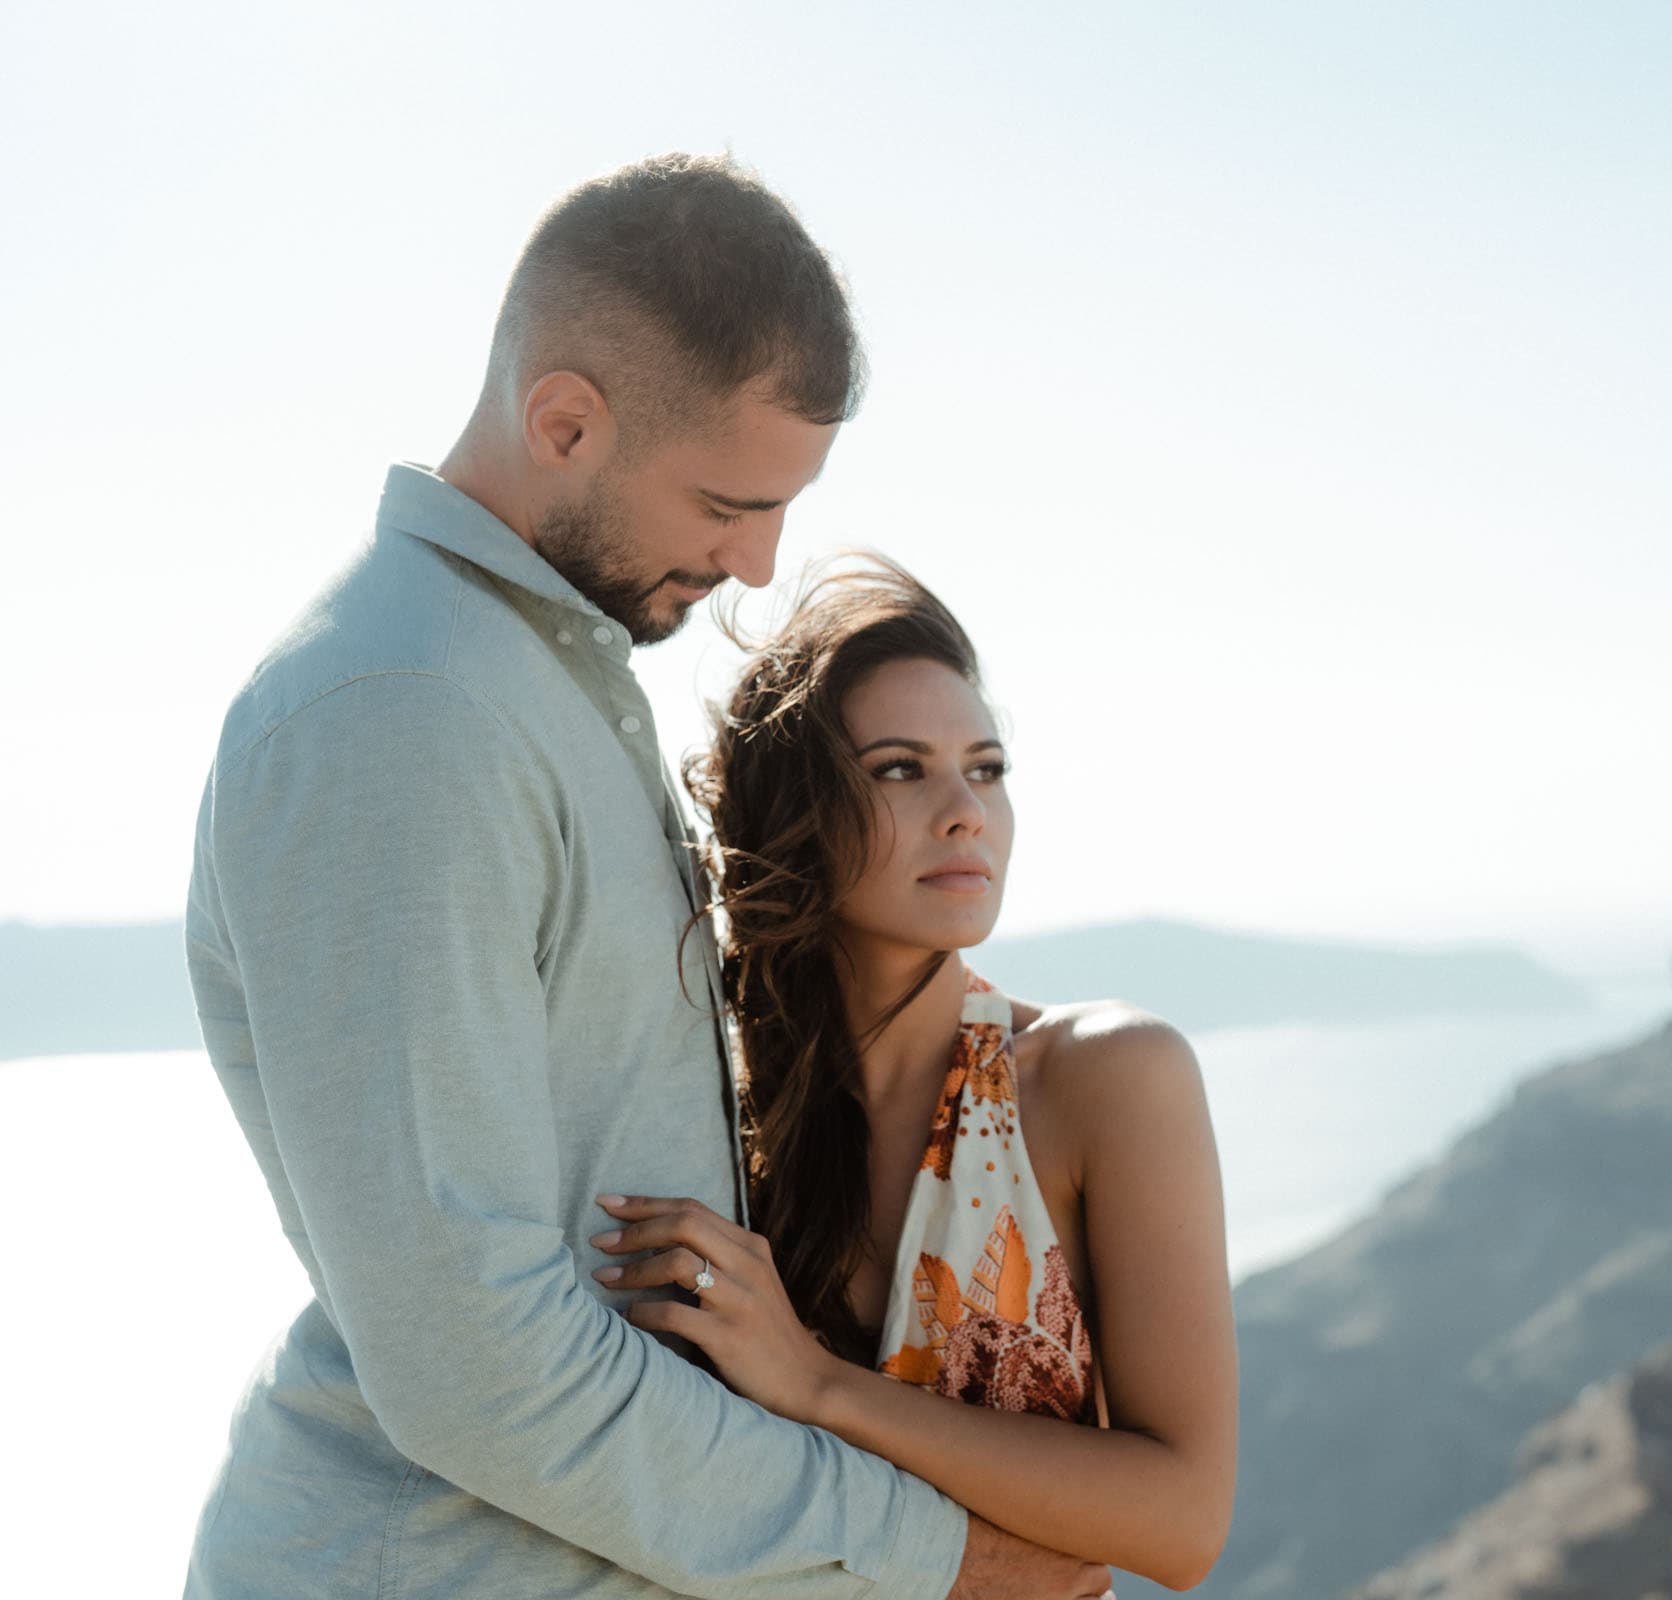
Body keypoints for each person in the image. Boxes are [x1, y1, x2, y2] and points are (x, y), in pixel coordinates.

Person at [182, 151, 1109, 1598]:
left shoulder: (531, 688)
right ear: (565, 421)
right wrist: (919, 1549)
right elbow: (472, 1356)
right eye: (728, 503)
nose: (757, 563)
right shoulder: (407, 715)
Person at [581, 554, 1238, 1590]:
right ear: (796, 815)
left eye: (985, 767)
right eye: (900, 768)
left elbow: (1182, 1521)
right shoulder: (722, 1111)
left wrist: (819, 1384)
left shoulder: (1103, 1077)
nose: (966, 809)